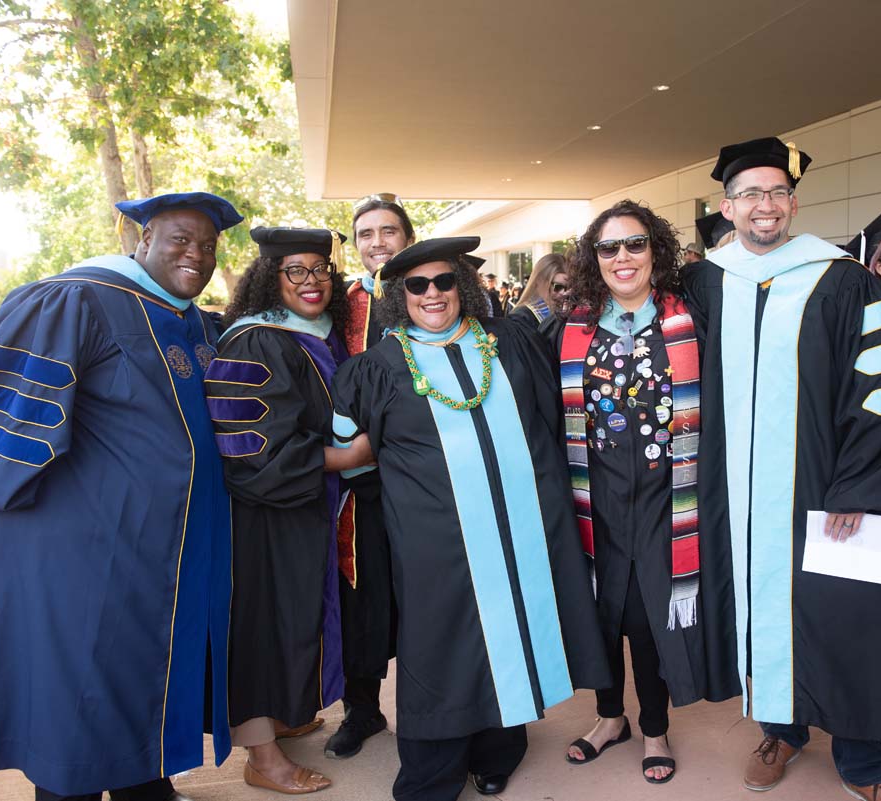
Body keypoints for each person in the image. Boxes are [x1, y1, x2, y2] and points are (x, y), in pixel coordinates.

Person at [0, 192, 243, 801]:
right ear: (141, 237)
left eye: (208, 246)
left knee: (142, 669)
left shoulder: (194, 321)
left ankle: (146, 782)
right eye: (180, 239)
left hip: (172, 547)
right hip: (88, 545)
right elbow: (1, 422)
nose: (196, 255)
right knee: (81, 675)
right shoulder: (75, 299)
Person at [681, 138, 881, 801]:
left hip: (830, 490)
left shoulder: (844, 280)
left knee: (848, 613)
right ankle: (782, 728)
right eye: (749, 194)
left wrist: (863, 485)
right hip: (734, 497)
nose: (764, 205)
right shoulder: (703, 283)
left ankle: (861, 756)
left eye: (776, 192)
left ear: (793, 203)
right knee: (762, 609)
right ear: (727, 206)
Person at [331, 236, 610, 801]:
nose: (432, 294)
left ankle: (498, 751)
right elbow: (347, 450)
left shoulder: (508, 342)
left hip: (523, 527)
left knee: (510, 631)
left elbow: (550, 418)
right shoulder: (377, 367)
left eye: (444, 281)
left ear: (463, 285)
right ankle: (433, 771)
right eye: (417, 285)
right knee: (440, 648)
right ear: (399, 296)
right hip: (436, 540)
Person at [206, 226, 376, 794]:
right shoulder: (255, 340)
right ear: (268, 277)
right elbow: (249, 446)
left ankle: (283, 715)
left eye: (320, 269)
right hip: (267, 513)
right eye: (295, 270)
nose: (312, 281)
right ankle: (262, 757)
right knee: (263, 626)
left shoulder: (322, 333)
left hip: (312, 507)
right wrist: (345, 455)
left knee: (299, 618)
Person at [549, 201, 705, 784]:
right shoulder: (571, 330)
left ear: (656, 251)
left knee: (644, 617)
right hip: (596, 496)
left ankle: (654, 727)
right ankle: (608, 718)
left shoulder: (689, 321)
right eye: (609, 248)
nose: (623, 258)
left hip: (668, 496)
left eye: (635, 245)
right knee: (601, 612)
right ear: (595, 258)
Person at [325, 193, 415, 760]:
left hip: (422, 475)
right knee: (361, 599)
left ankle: (445, 709)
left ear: (407, 237)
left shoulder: (430, 292)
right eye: (365, 233)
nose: (377, 242)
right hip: (356, 480)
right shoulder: (340, 303)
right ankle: (362, 710)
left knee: (428, 596)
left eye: (388, 231)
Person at [509, 252, 572, 330]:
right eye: (558, 287)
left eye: (569, 287)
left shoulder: (566, 313)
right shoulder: (520, 318)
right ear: (539, 281)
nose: (563, 293)